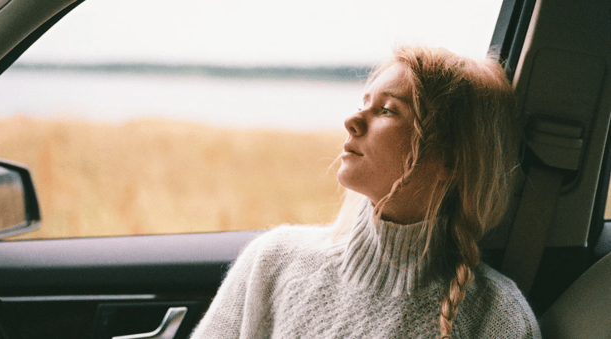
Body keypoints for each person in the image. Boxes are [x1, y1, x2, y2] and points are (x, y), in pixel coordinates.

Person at [190, 46, 541, 339]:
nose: (352, 121)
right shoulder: (274, 260)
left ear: (451, 157)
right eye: (364, 103)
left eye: (387, 110)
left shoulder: (497, 316)